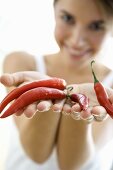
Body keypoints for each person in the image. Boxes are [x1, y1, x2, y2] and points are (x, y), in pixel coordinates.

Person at [1, 0, 113, 169]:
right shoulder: (21, 62)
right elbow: (36, 154)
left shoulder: (109, 88)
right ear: (54, 11)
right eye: (68, 18)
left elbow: (71, 165)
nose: (77, 40)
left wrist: (79, 109)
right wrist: (52, 92)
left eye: (96, 26)